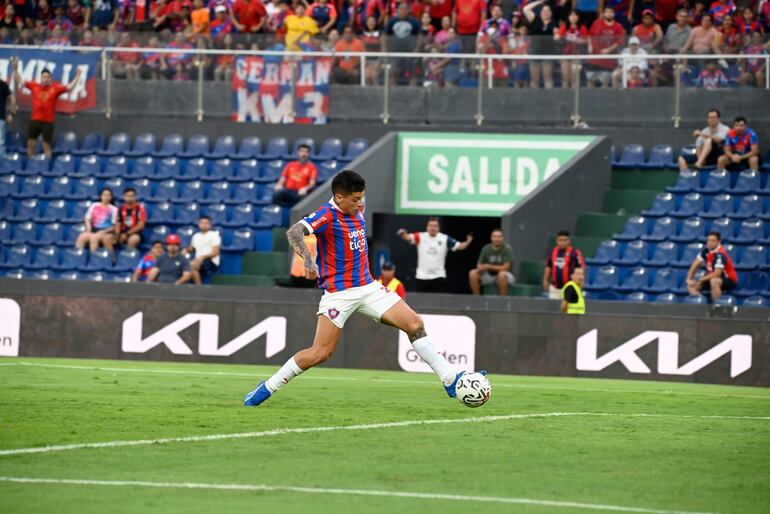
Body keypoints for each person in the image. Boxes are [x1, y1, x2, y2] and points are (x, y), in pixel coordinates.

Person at [242, 170, 487, 407]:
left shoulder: (356, 204)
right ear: (339, 198)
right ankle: (268, 387)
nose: (361, 204)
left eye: (362, 198)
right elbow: (294, 231)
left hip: (369, 287)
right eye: (356, 199)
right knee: (320, 352)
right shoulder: (327, 214)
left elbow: (359, 196)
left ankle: (449, 379)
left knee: (415, 324)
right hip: (339, 294)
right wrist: (308, 259)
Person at [12, 60, 82, 159]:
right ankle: (30, 164)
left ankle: (47, 165)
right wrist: (15, 70)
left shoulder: (56, 89)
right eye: (44, 77)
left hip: (48, 122)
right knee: (31, 144)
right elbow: (20, 81)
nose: (46, 79)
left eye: (48, 77)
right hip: (35, 120)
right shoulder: (34, 86)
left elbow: (69, 88)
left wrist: (78, 76)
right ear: (41, 78)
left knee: (46, 145)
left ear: (51, 79)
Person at [396, 218, 473, 293]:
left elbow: (459, 246)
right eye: (430, 225)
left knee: (438, 303)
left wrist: (468, 241)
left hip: (438, 277)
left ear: (439, 228)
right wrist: (402, 234)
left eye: (435, 226)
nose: (432, 228)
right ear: (427, 227)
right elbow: (408, 238)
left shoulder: (444, 238)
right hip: (422, 277)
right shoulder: (420, 236)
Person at [686, 231, 738, 302]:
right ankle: (702, 304)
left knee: (714, 281)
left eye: (713, 241)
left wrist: (702, 279)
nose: (709, 242)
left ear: (718, 242)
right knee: (691, 286)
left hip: (728, 279)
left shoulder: (720, 254)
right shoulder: (706, 251)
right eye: (709, 240)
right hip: (711, 278)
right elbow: (695, 264)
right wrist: (689, 278)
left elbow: (717, 274)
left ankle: (717, 307)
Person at [586, 7, 626, 88]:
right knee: (590, 82)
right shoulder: (597, 23)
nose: (609, 14)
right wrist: (590, 45)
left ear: (614, 14)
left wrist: (608, 49)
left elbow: (618, 42)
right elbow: (590, 36)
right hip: (594, 59)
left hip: (608, 62)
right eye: (607, 12)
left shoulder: (618, 26)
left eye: (611, 12)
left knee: (605, 83)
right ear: (604, 13)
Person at [468, 228, 515, 296]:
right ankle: (477, 299)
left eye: (499, 236)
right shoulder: (486, 248)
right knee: (472, 273)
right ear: (491, 238)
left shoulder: (507, 249)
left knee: (502, 274)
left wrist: (489, 266)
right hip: (489, 275)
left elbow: (506, 267)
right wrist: (481, 268)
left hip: (506, 276)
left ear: (502, 238)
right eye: (495, 236)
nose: (497, 239)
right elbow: (479, 265)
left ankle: (503, 301)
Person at [543, 230, 585, 300]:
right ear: (557, 241)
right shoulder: (553, 252)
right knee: (553, 309)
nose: (562, 242)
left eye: (565, 240)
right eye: (560, 240)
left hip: (570, 287)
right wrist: (545, 280)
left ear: (569, 241)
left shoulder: (575, 253)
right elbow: (548, 267)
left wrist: (580, 284)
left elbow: (580, 269)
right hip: (555, 288)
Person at [76, 188, 119, 254]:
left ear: (111, 197)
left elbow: (114, 226)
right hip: (93, 230)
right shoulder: (94, 205)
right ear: (101, 196)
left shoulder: (114, 209)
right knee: (82, 237)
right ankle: (78, 256)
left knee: (94, 238)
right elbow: (87, 218)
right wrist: (88, 228)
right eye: (104, 195)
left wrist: (104, 231)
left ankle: (94, 259)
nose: (106, 197)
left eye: (108, 195)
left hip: (105, 232)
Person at [188, 215, 221, 285]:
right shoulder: (196, 236)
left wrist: (202, 257)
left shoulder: (214, 235)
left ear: (210, 225)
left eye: (206, 223)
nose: (204, 225)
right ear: (199, 224)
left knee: (191, 266)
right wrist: (187, 250)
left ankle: (199, 286)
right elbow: (192, 248)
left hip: (210, 261)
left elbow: (216, 252)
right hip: (198, 260)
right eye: (202, 223)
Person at [0, 75, 16, 159]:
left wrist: (12, 113)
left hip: (0, 119)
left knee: (0, 143)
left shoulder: (3, 85)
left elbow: (12, 99)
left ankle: (1, 166)